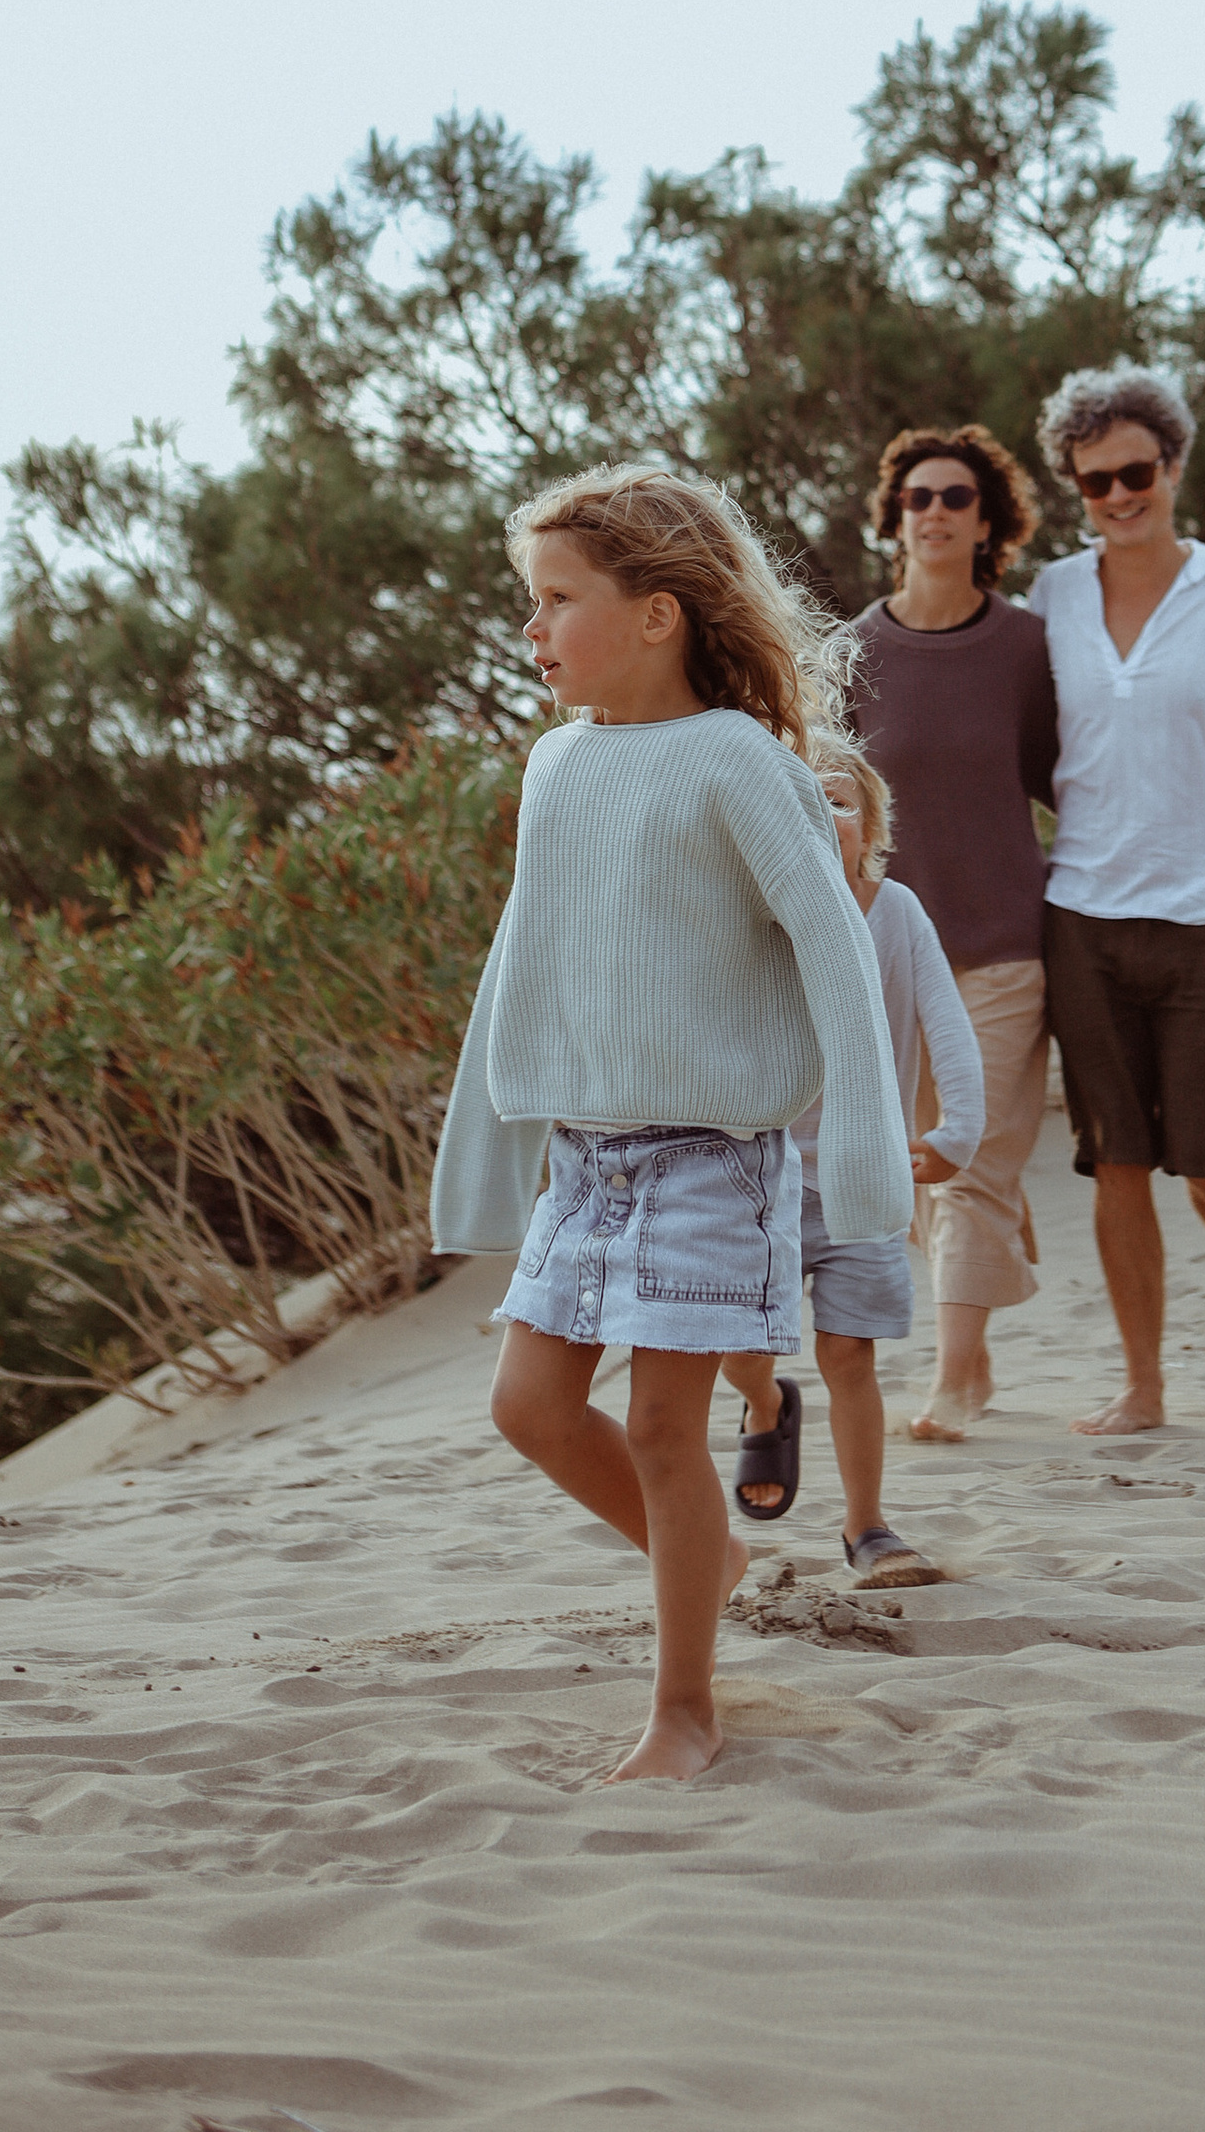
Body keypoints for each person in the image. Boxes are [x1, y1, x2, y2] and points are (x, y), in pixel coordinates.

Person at [429, 464, 910, 1785]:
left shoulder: (740, 762)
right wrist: (490, 1156)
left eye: (556, 600)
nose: (533, 633)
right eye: (530, 604)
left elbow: (833, 945)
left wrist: (863, 1152)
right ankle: (713, 1554)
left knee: (658, 1431)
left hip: (712, 1156)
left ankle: (685, 1710)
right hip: (585, 1160)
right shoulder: (555, 768)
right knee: (528, 1407)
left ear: (658, 615)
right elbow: (521, 961)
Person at [1027, 365, 1205, 1434]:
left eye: (1135, 472)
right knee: (1116, 1155)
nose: (1117, 497)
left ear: (1174, 465)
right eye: (1094, 481)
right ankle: (1142, 1384)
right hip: (1082, 910)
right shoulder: (1051, 597)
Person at [721, 730, 986, 1585]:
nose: (822, 811)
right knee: (740, 1343)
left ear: (870, 829)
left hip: (862, 1175)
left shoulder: (897, 913)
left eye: (841, 800)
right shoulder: (751, 916)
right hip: (756, 1177)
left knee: (850, 1353)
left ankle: (867, 1526)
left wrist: (958, 1133)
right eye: (804, 797)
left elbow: (945, 1025)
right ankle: (765, 1405)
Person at [845, 423, 1059, 1444]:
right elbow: (825, 797)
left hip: (1006, 939)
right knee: (927, 1167)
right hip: (893, 950)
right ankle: (974, 1336)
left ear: (989, 524)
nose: (934, 512)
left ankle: (958, 1373)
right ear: (895, 517)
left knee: (970, 1154)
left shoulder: (1023, 647)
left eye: (956, 498)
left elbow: (1071, 780)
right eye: (917, 497)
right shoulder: (852, 650)